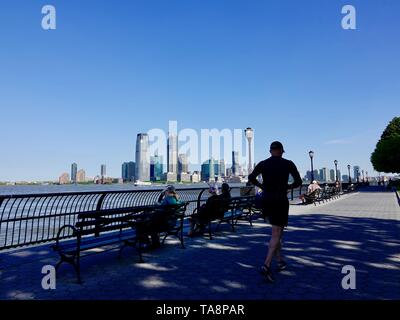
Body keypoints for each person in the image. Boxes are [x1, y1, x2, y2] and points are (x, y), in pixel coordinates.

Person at [248, 141, 302, 283]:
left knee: (277, 232)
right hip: (280, 200)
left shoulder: (263, 163)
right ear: (281, 151)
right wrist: (288, 187)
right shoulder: (288, 163)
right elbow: (298, 182)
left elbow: (251, 177)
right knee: (276, 233)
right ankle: (266, 265)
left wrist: (262, 186)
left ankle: (280, 261)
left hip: (267, 201)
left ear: (270, 151)